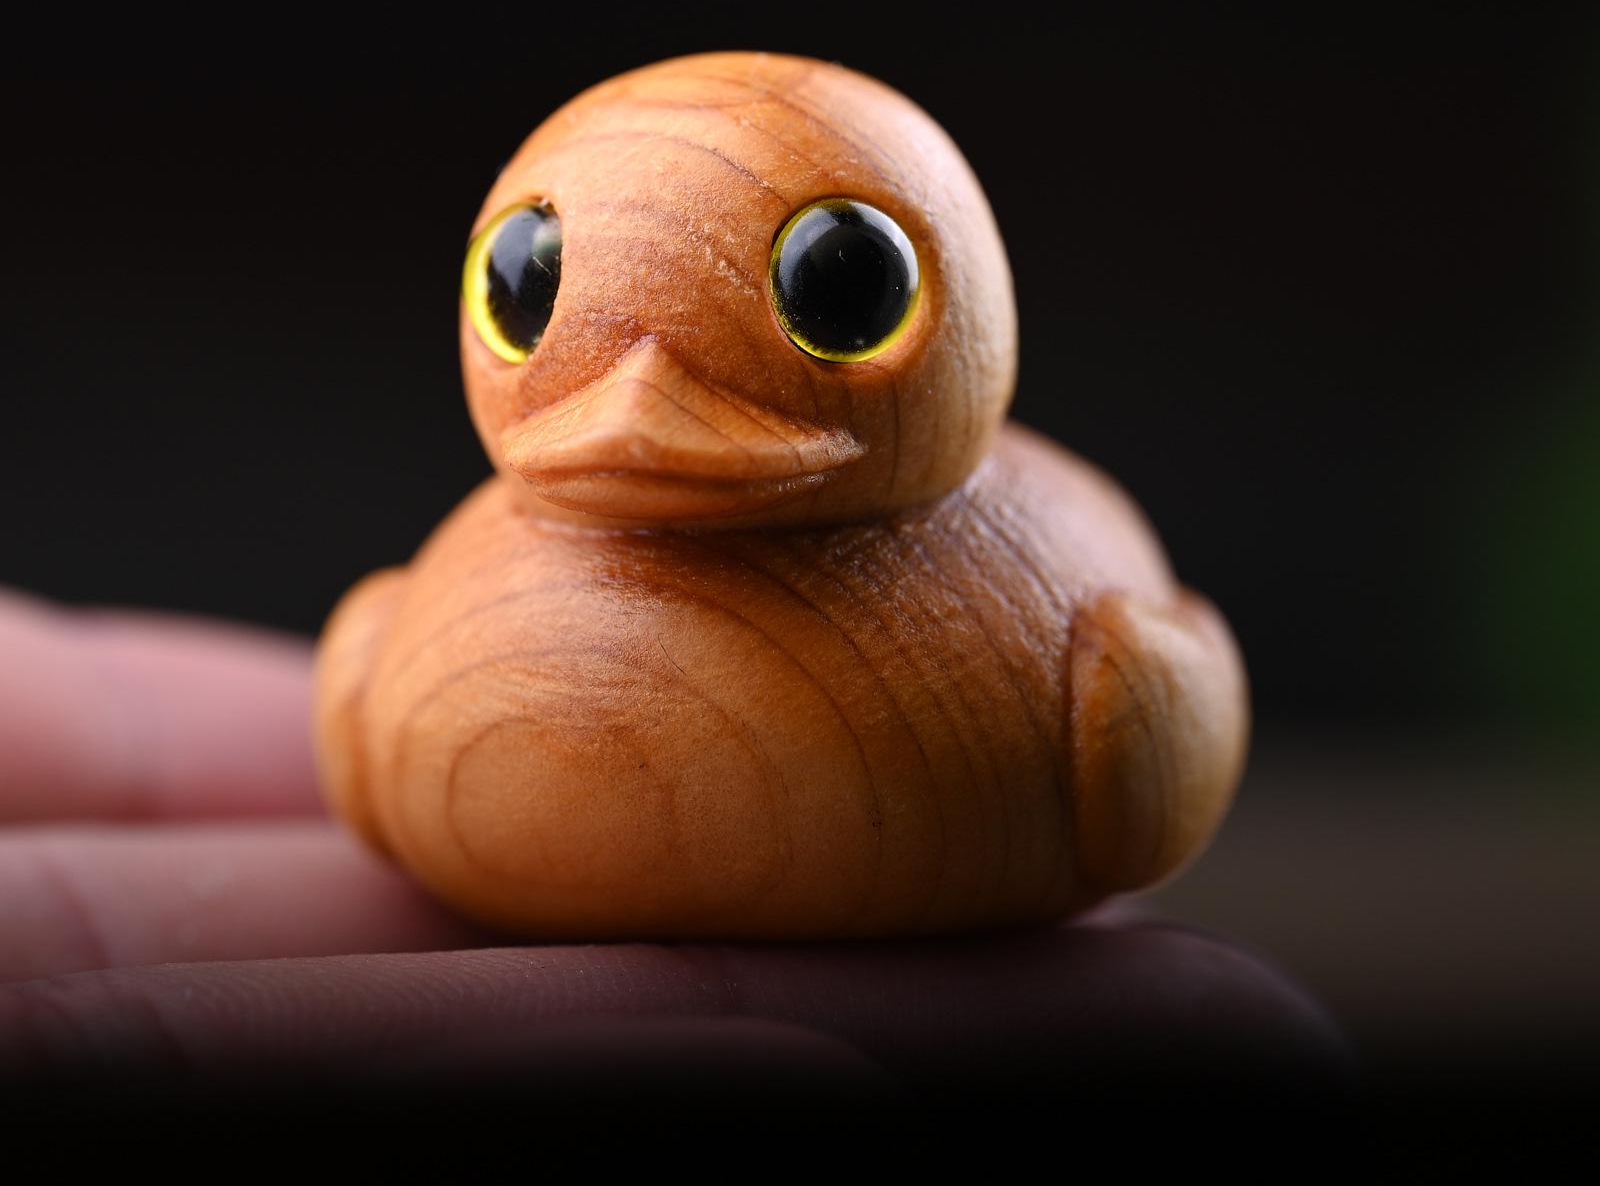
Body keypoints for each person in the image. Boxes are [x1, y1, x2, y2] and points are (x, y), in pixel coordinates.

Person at [0, 588, 1341, 1105]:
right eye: (532, 288)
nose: (642, 395)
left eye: (839, 288)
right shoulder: (444, 619)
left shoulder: (1050, 602)